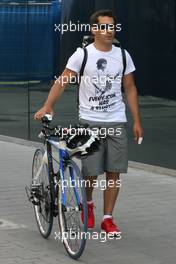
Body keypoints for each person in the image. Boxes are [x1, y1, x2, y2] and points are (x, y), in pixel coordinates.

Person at [34, 9, 143, 236]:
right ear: (94, 29)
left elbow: (130, 88)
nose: (108, 31)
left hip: (116, 121)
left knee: (114, 173)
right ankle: (89, 204)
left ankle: (108, 218)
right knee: (91, 172)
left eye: (111, 26)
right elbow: (63, 81)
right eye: (103, 26)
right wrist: (48, 105)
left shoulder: (123, 55)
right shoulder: (82, 55)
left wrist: (136, 121)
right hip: (90, 122)